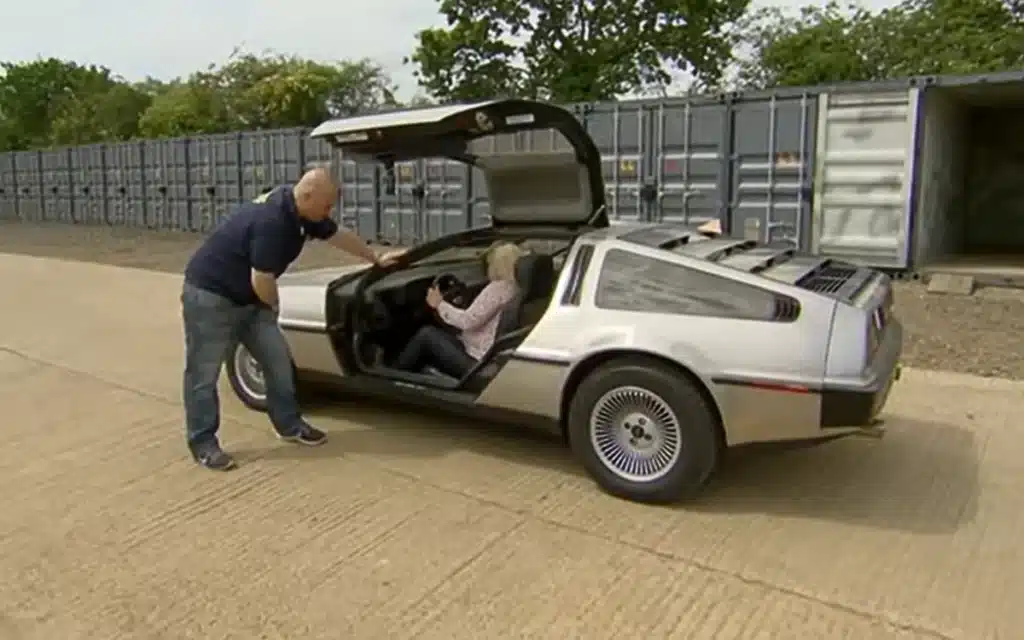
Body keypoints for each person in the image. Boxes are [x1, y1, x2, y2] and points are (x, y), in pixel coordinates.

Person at [181, 168, 401, 471]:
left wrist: (374, 258)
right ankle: (203, 442)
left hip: (249, 299)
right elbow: (262, 280)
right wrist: (274, 308)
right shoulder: (272, 221)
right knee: (202, 373)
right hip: (211, 297)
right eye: (326, 205)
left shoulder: (302, 211)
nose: (329, 212)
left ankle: (289, 424)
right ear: (308, 195)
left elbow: (336, 234)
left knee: (278, 362)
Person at [394, 242, 524, 378]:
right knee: (439, 335)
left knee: (426, 334)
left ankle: (394, 376)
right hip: (487, 356)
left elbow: (467, 321)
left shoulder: (498, 289)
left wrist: (438, 304)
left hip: (477, 361)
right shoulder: (517, 288)